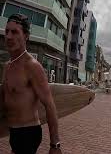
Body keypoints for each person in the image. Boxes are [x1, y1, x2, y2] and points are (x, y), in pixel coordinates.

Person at [0, 14, 61, 154]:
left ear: (26, 36)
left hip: (28, 133)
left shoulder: (32, 66)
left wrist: (55, 145)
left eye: (15, 32)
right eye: (7, 31)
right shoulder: (7, 66)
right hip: (13, 132)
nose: (8, 37)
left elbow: (50, 105)